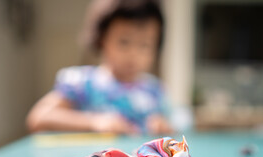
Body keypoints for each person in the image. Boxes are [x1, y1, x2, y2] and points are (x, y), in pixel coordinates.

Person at [26, 0, 172, 135]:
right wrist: (94, 122)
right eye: (124, 42)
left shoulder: (154, 91)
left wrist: (162, 125)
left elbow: (175, 124)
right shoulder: (82, 82)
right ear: (102, 39)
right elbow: (39, 117)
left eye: (144, 45)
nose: (133, 54)